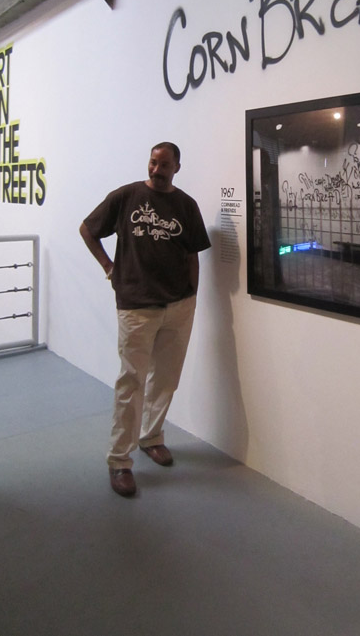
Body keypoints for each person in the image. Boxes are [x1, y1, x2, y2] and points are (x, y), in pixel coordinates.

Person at [80, 142, 211, 497]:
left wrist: (192, 297)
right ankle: (119, 461)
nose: (156, 169)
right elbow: (88, 229)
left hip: (178, 306)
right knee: (131, 382)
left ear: (177, 167)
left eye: (164, 164)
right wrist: (109, 267)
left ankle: (151, 437)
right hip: (136, 306)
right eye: (153, 162)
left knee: (165, 379)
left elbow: (193, 255)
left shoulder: (186, 206)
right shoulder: (126, 197)